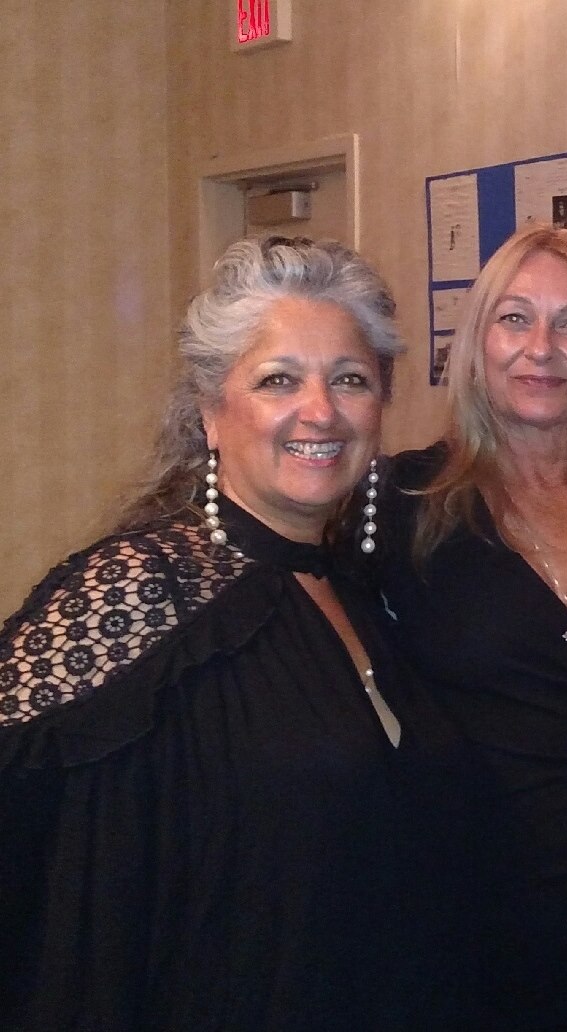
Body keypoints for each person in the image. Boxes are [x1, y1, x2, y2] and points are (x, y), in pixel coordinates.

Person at [0, 237, 430, 1029]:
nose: (320, 410)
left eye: (350, 379)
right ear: (210, 414)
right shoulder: (141, 581)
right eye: (278, 380)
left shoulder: (352, 587)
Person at [373, 223, 567, 1031]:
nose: (541, 348)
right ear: (477, 344)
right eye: (514, 319)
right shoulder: (404, 502)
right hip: (453, 948)